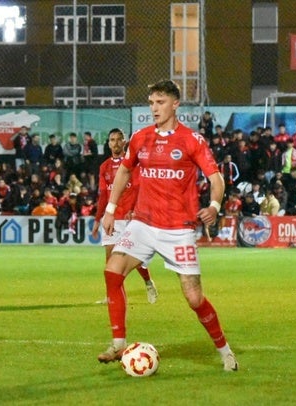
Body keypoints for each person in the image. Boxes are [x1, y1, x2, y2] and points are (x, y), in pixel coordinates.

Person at [98, 80, 238, 372]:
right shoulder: (140, 138)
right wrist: (110, 209)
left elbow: (216, 179)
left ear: (175, 104)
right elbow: (124, 171)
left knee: (194, 298)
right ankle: (118, 342)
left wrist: (213, 206)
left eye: (160, 102)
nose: (154, 108)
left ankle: (225, 351)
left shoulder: (191, 140)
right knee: (112, 270)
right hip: (143, 223)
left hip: (178, 229)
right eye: (151, 103)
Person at [92, 128, 158, 305]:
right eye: (112, 140)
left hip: (130, 219)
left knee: (135, 260)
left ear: (124, 142)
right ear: (108, 143)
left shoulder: (132, 165)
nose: (115, 143)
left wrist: (135, 209)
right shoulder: (104, 167)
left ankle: (148, 282)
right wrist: (98, 219)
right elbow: (104, 196)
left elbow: (139, 188)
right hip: (112, 218)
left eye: (118, 139)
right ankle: (111, 296)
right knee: (109, 258)